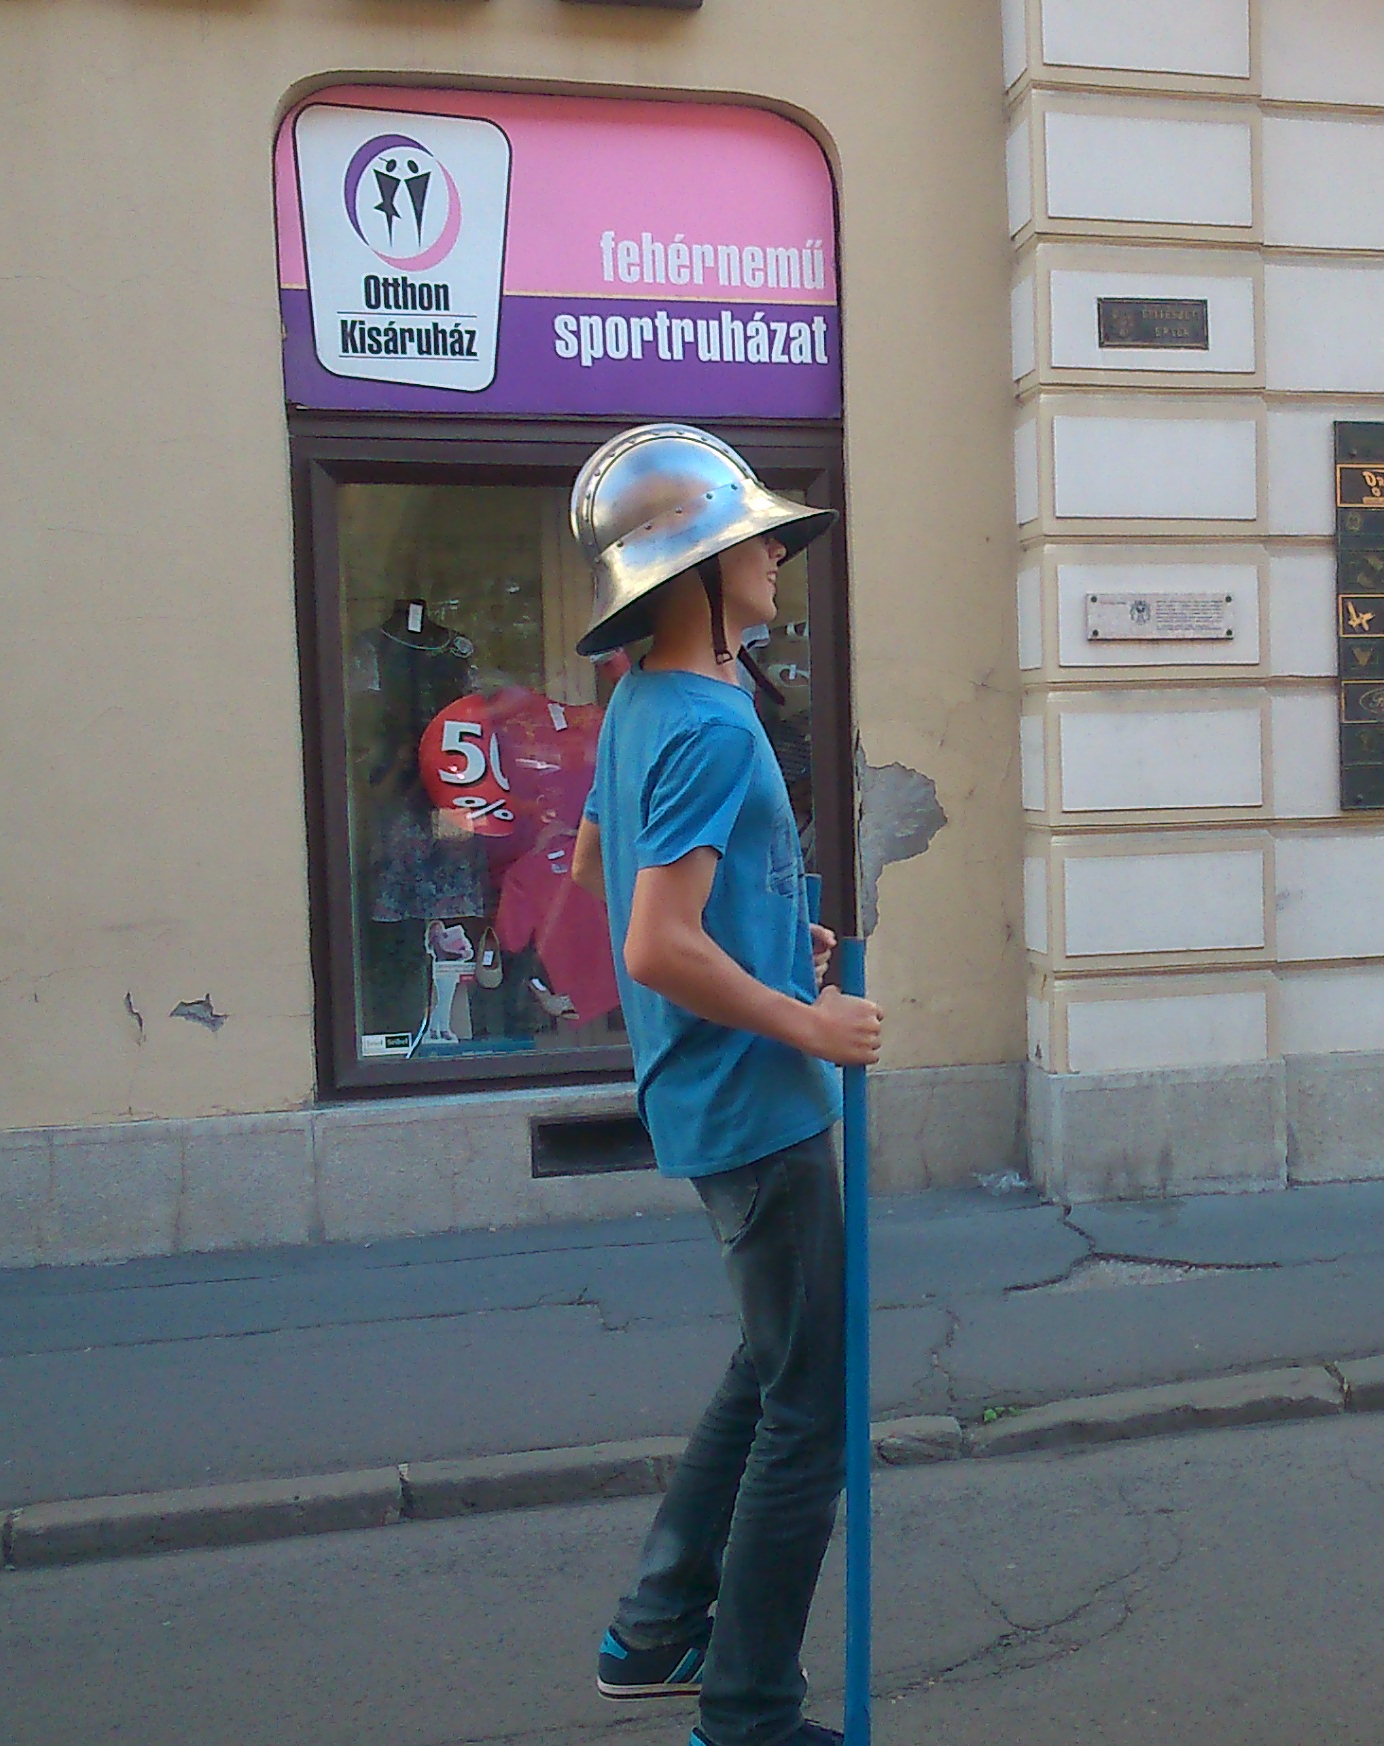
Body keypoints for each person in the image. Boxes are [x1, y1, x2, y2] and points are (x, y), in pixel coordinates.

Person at [564, 424, 881, 1746]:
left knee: (771, 1361)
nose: (774, 553)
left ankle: (653, 1630)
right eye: (749, 536)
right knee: (810, 1412)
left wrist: (770, 930)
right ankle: (748, 1711)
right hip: (755, 1103)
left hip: (711, 1091)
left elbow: (599, 863)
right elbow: (652, 940)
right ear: (693, 570)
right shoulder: (703, 718)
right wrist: (805, 1018)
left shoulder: (650, 699)